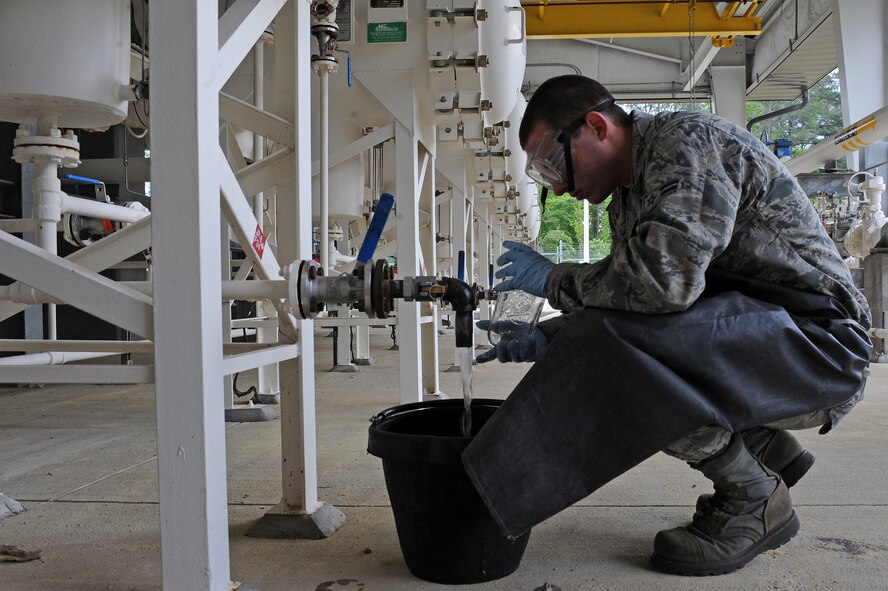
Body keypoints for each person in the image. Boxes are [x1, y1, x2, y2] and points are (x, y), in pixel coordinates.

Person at [465, 75, 872, 576]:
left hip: (822, 348)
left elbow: (660, 287)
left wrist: (554, 280)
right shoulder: (631, 196)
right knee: (609, 346)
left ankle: (753, 496)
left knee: (619, 363)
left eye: (553, 161)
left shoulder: (687, 144)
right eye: (544, 173)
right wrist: (549, 338)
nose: (561, 187)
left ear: (596, 126)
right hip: (772, 341)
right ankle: (765, 450)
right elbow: (626, 306)